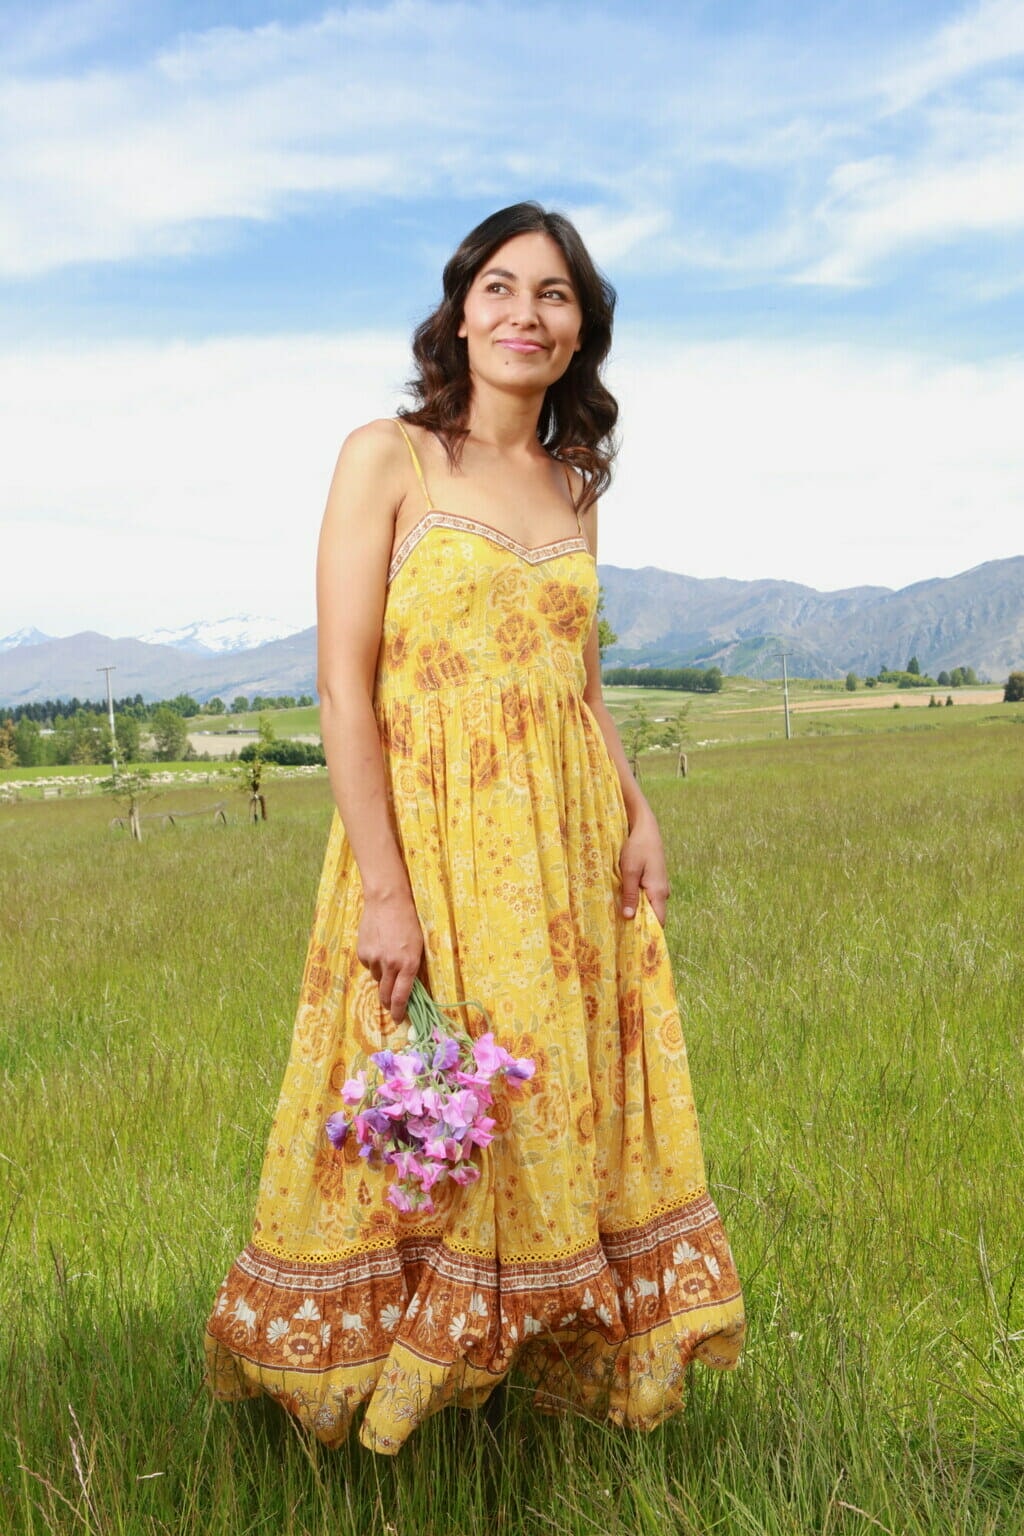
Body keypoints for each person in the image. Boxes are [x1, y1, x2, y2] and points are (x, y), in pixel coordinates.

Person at [204, 202, 745, 1454]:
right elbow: (345, 684)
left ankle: (527, 1382)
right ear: (460, 311)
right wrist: (385, 892)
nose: (524, 313)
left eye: (553, 296)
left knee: (551, 1109)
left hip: (564, 848)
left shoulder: (573, 485)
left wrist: (638, 809)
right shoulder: (387, 455)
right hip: (431, 839)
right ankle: (373, 1383)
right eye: (500, 287)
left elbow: (582, 685)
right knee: (427, 1105)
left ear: (578, 333)